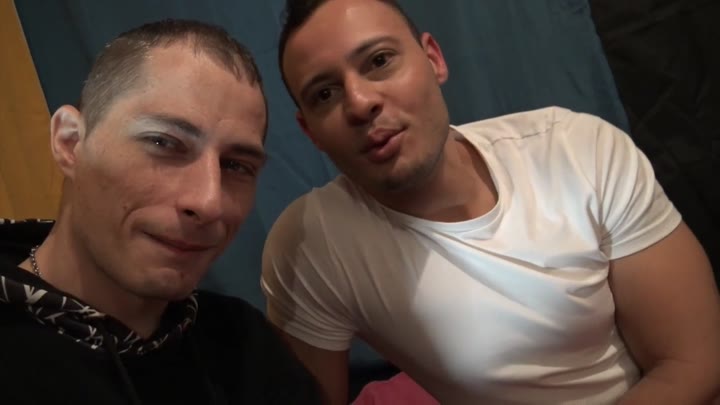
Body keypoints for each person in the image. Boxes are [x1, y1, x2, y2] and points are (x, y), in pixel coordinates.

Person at [260, 0, 720, 403]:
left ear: (433, 59)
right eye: (325, 94)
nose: (360, 103)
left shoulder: (578, 150)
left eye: (379, 61)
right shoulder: (311, 247)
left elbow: (691, 361)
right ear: (310, 132)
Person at [0, 19, 321, 404]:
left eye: (236, 166)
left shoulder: (244, 345)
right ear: (71, 143)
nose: (209, 203)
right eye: (164, 143)